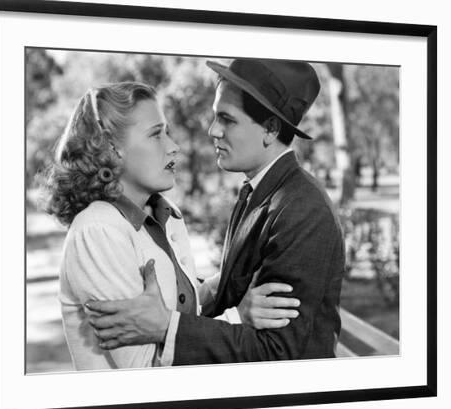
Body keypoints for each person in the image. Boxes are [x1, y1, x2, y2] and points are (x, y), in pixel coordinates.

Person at [87, 58, 346, 364]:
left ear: (270, 129)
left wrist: (166, 327)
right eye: (214, 117)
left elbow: (278, 351)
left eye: (227, 119)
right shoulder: (261, 191)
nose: (213, 130)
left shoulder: (301, 210)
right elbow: (231, 292)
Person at [40, 81, 300, 370]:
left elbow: (180, 310)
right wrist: (239, 318)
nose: (173, 147)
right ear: (112, 148)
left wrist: (233, 277)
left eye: (167, 132)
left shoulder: (165, 215)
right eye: (155, 135)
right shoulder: (98, 229)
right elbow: (144, 369)